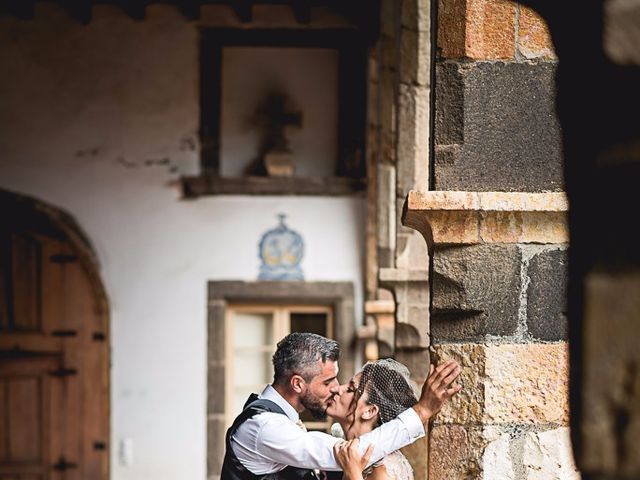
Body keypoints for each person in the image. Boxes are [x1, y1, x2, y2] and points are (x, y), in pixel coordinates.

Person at [221, 332, 461, 480]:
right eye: (327, 381)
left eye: (345, 384)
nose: (336, 387)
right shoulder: (265, 427)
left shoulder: (384, 469)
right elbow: (347, 453)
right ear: (297, 384)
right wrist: (422, 412)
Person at [330, 359, 437, 480]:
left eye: (350, 389)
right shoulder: (341, 444)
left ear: (369, 411)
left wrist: (353, 475)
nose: (337, 389)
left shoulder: (382, 472)